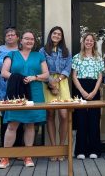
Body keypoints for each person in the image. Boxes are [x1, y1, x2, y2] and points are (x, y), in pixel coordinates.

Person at [0, 30, 49, 169]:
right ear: (21, 40)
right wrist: (19, 78)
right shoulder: (12, 54)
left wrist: (34, 77)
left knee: (30, 124)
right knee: (12, 124)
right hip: (16, 93)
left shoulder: (38, 56)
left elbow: (46, 74)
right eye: (27, 39)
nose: (29, 41)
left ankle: (27, 156)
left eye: (32, 39)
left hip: (35, 92)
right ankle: (5, 157)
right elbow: (4, 72)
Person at [39, 26, 72, 161]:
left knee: (64, 115)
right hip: (47, 82)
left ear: (62, 37)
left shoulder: (65, 51)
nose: (57, 35)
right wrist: (51, 84)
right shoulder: (42, 50)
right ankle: (53, 149)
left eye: (59, 34)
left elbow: (68, 68)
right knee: (50, 114)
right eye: (55, 33)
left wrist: (57, 81)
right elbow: (42, 68)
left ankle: (61, 146)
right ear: (50, 35)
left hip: (62, 82)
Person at [71, 32, 104, 160]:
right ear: (83, 42)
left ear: (94, 43)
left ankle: (94, 150)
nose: (89, 42)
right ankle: (81, 150)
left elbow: (100, 76)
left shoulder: (98, 57)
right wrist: (82, 91)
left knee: (94, 120)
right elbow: (74, 76)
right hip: (80, 87)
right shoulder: (77, 57)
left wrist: (95, 91)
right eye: (87, 40)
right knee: (81, 119)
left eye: (91, 40)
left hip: (94, 87)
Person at [0, 27, 24, 146]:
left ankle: (17, 148)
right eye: (8, 35)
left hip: (17, 84)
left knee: (18, 114)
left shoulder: (21, 50)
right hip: (0, 86)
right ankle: (4, 148)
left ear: (17, 37)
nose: (10, 37)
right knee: (3, 116)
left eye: (12, 35)